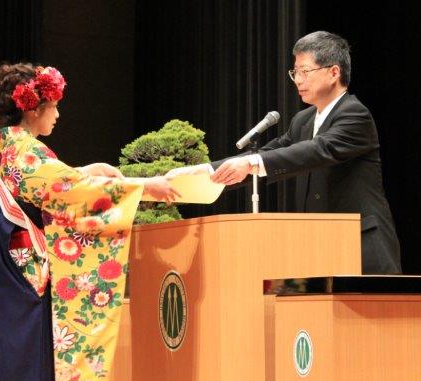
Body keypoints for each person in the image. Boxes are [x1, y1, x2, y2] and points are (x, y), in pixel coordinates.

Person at [0, 63, 178, 381]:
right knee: (24, 351)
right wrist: (145, 186)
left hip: (2, 261)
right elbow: (68, 190)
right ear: (33, 109)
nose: (58, 115)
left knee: (3, 348)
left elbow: (53, 183)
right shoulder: (26, 151)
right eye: (54, 106)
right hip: (20, 269)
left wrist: (88, 170)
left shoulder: (9, 144)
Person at [172, 31, 401, 274]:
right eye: (295, 72)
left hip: (361, 247)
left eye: (305, 71)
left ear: (334, 72)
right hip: (320, 247)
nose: (298, 80)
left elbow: (317, 150)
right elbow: (271, 152)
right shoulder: (303, 121)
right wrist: (202, 173)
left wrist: (251, 163)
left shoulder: (354, 114)